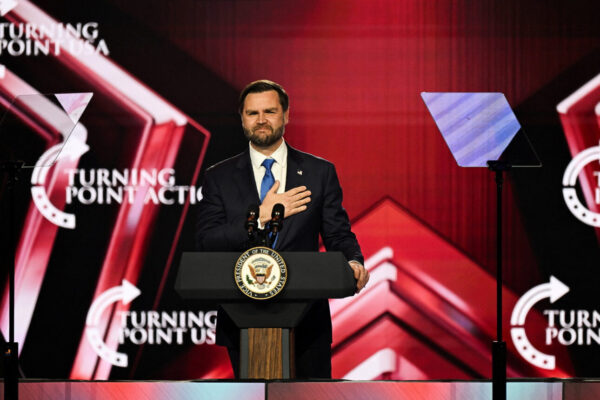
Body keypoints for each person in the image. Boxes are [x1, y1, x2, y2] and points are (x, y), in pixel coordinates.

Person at [196, 79, 369, 379]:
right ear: (242, 118)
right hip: (242, 317)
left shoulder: (319, 172)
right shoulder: (219, 177)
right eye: (252, 113)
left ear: (286, 115)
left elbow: (338, 234)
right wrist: (260, 216)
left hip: (308, 321)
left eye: (270, 111)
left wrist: (353, 261)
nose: (261, 120)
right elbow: (207, 241)